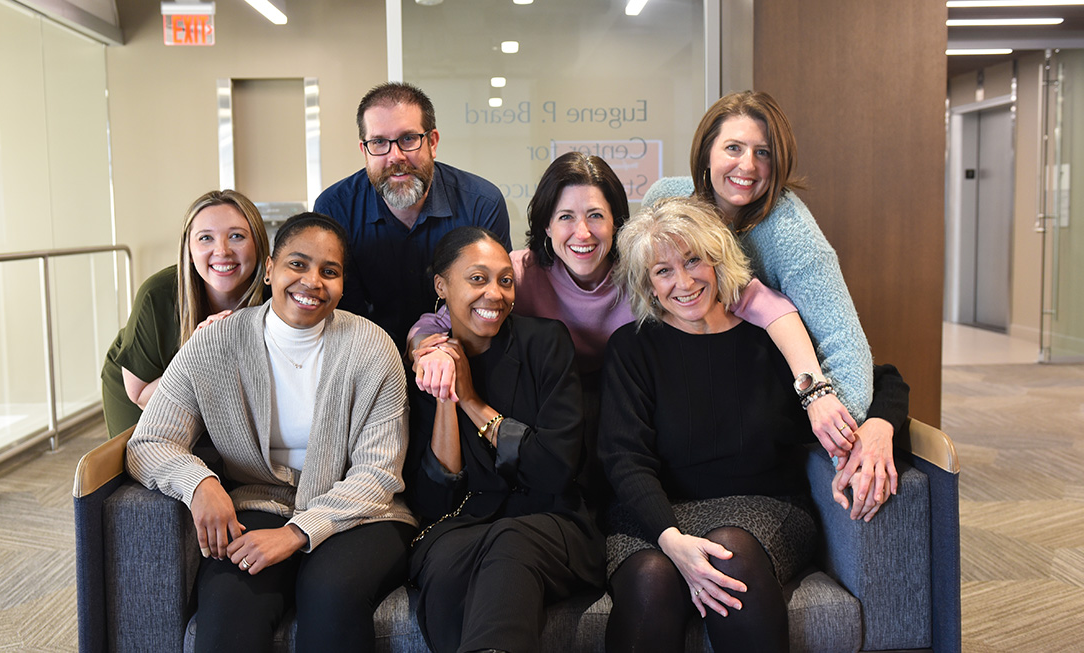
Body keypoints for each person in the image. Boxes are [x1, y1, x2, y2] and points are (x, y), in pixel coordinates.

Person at [599, 198, 909, 652]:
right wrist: (672, 539)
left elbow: (883, 379)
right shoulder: (632, 348)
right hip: (657, 513)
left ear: (717, 259)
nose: (683, 282)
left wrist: (880, 426)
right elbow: (624, 459)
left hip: (764, 508)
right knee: (651, 578)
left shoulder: (772, 335)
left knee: (730, 556)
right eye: (663, 271)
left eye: (692, 261)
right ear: (647, 282)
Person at [409, 152, 858, 460]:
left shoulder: (649, 271)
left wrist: (814, 390)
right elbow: (440, 315)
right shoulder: (519, 274)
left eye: (596, 216)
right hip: (552, 417)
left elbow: (764, 303)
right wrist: (429, 347)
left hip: (633, 413)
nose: (581, 233)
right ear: (546, 225)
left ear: (617, 223)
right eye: (565, 217)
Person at [125, 213, 417, 653]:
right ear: (269, 270)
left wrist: (298, 533)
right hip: (258, 503)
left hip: (361, 514)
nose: (312, 281)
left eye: (329, 271)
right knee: (228, 610)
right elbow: (149, 442)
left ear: (342, 284)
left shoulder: (372, 347)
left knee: (330, 593)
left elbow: (378, 474)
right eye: (297, 264)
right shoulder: (214, 344)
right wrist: (200, 484)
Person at [405, 226, 605, 653]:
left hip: (553, 520)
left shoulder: (546, 343)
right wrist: (446, 393)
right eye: (477, 278)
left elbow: (554, 469)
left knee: (509, 540)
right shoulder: (424, 368)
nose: (495, 293)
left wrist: (473, 401)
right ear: (441, 285)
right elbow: (435, 499)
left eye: (505, 280)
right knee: (447, 565)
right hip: (460, 524)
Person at [642, 90, 874, 428]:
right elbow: (633, 282)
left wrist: (838, 432)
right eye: (734, 148)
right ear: (707, 152)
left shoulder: (791, 232)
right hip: (676, 380)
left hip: (757, 400)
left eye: (762, 152)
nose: (748, 165)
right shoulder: (665, 200)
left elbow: (844, 344)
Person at [313, 82, 511, 344]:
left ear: (432, 142)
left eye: (408, 139)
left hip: (465, 350)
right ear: (364, 151)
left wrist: (430, 346)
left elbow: (492, 298)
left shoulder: (482, 203)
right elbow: (339, 307)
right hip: (366, 352)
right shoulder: (334, 208)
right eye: (379, 142)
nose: (395, 156)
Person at [101, 189, 269, 439]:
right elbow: (140, 396)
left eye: (236, 236)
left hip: (220, 395)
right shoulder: (157, 294)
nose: (222, 251)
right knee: (140, 467)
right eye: (205, 238)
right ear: (189, 251)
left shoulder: (277, 296)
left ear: (258, 245)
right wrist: (197, 355)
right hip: (145, 386)